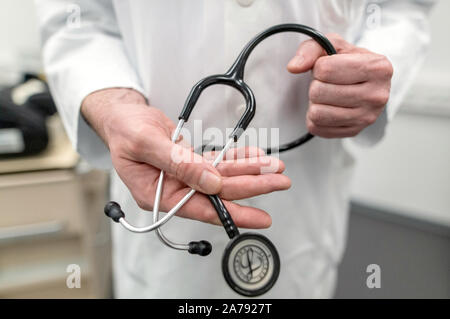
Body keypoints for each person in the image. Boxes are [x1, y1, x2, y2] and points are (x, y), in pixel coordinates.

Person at [35, 0, 434, 298]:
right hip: (154, 191)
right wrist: (114, 105)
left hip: (305, 193)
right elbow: (77, 18)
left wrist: (375, 68)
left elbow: (402, 8)